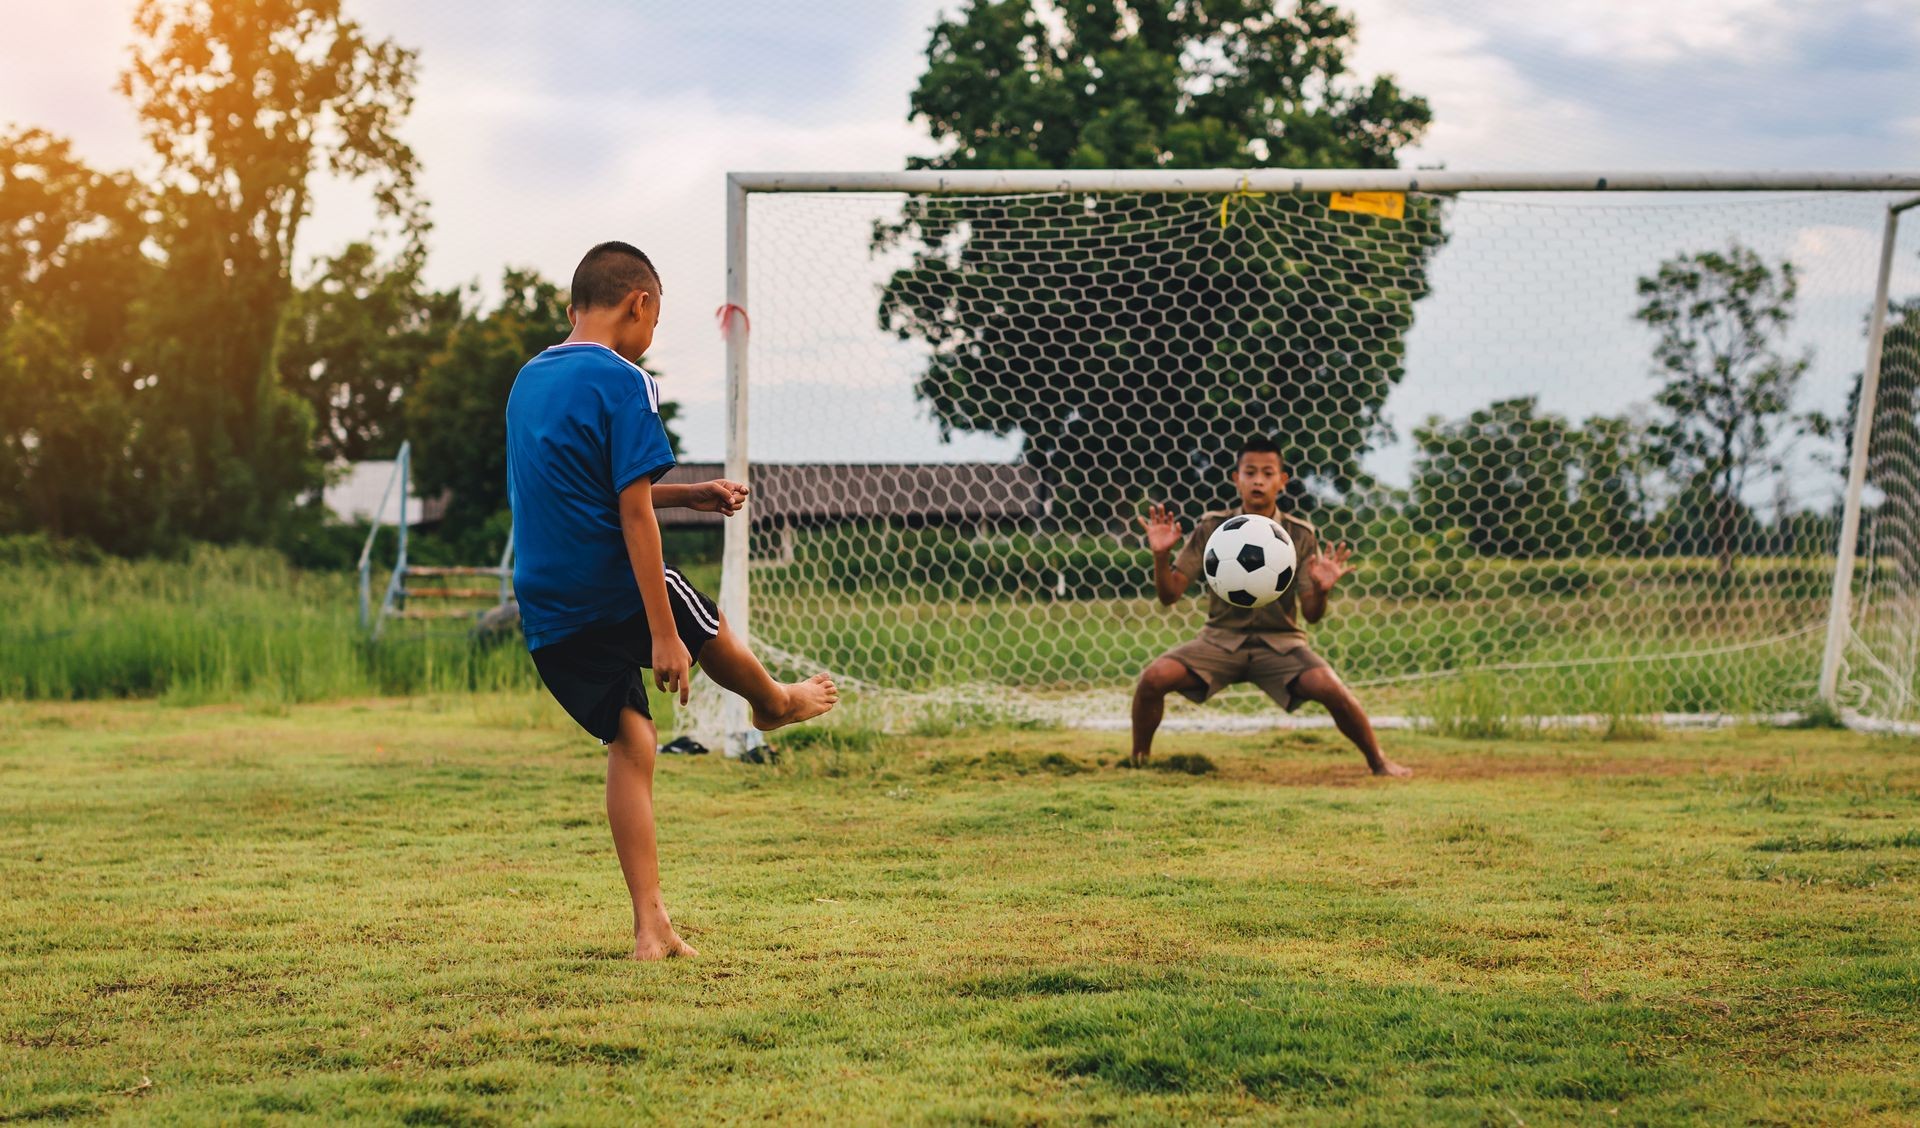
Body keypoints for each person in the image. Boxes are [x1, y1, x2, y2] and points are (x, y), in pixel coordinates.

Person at [507, 240, 839, 960]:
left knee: (633, 741)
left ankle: (650, 925)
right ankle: (773, 702)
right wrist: (663, 634)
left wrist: (690, 492)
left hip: (546, 602)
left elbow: (595, 490)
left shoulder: (528, 381)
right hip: (611, 582)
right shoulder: (625, 379)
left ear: (572, 311)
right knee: (693, 613)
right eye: (655, 321)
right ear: (641, 304)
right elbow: (630, 517)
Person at [1131, 436, 1411, 778]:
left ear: (1282, 481)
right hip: (1219, 640)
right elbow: (1169, 595)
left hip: (1281, 643)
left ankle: (1379, 762)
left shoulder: (1300, 534)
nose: (1258, 480)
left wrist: (1322, 590)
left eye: (1268, 472)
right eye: (1250, 472)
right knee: (1153, 679)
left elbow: (1312, 615)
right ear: (1236, 479)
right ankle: (1138, 762)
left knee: (1330, 687)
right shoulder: (1211, 528)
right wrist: (1161, 556)